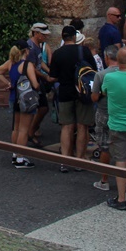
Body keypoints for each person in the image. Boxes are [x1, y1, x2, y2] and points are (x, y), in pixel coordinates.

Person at [93, 46, 126, 211]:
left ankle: (122, 199)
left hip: (117, 125)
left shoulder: (109, 78)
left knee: (120, 161)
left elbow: (103, 92)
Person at [48, 25, 98, 171]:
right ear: (74, 37)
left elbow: (53, 77)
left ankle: (64, 161)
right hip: (83, 93)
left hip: (65, 92)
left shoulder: (58, 53)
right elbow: (93, 71)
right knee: (83, 126)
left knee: (66, 126)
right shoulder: (84, 51)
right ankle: (79, 160)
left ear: (63, 37)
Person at [0, 41, 36, 168]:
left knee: (16, 128)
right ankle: (20, 158)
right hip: (25, 99)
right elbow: (35, 84)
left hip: (14, 97)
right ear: (26, 51)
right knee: (24, 129)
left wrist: (8, 83)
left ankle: (15, 154)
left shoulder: (10, 63)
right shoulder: (27, 65)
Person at [91, 42, 120, 190]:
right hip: (121, 113)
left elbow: (94, 97)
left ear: (107, 58)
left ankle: (104, 180)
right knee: (122, 147)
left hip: (104, 112)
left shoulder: (101, 75)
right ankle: (124, 179)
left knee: (104, 147)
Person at [26, 22, 52, 146]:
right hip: (33, 80)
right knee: (41, 107)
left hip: (38, 79)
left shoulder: (38, 45)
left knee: (42, 107)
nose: (45, 37)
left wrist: (49, 71)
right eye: (43, 34)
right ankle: (30, 132)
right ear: (36, 33)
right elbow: (32, 67)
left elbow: (40, 62)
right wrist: (45, 76)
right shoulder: (31, 47)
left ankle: (31, 131)